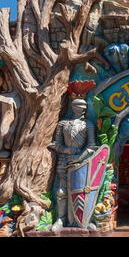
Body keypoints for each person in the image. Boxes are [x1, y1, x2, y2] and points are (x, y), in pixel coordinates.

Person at [48, 98, 98, 231]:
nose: (82, 108)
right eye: (79, 105)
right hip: (64, 159)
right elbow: (56, 144)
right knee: (61, 191)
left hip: (81, 161)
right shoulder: (63, 123)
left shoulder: (89, 124)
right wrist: (67, 150)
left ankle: (85, 220)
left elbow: (92, 145)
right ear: (73, 106)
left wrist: (78, 157)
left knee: (82, 190)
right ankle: (61, 218)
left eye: (84, 105)